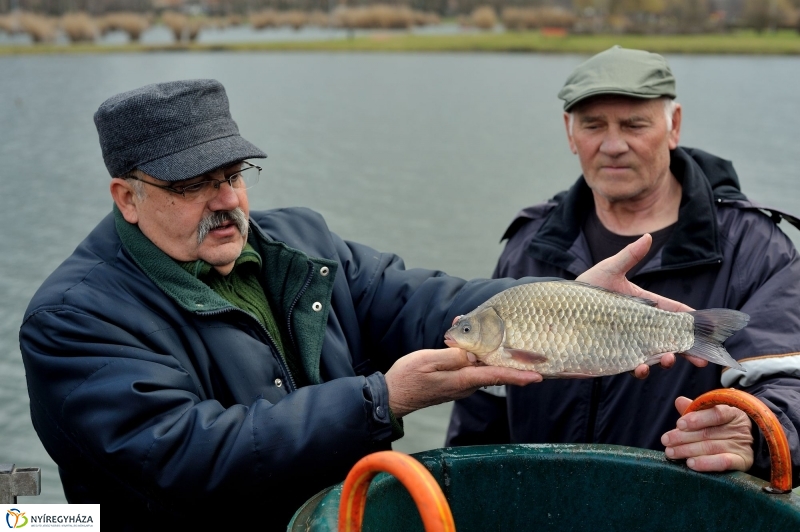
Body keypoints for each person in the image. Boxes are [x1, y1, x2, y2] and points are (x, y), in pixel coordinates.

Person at [18, 79, 690, 530]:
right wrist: (382, 400)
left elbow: (423, 300)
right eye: (192, 185)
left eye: (231, 175)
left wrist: (558, 303)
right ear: (126, 198)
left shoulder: (300, 240)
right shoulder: (75, 318)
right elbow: (189, 454)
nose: (225, 200)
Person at [447, 46, 800, 486]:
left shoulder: (756, 248)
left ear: (673, 126)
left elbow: (791, 387)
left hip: (678, 507)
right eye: (593, 125)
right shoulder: (530, 242)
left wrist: (756, 430)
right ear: (569, 132)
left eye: (634, 124)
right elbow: (483, 405)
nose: (613, 146)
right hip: (540, 504)